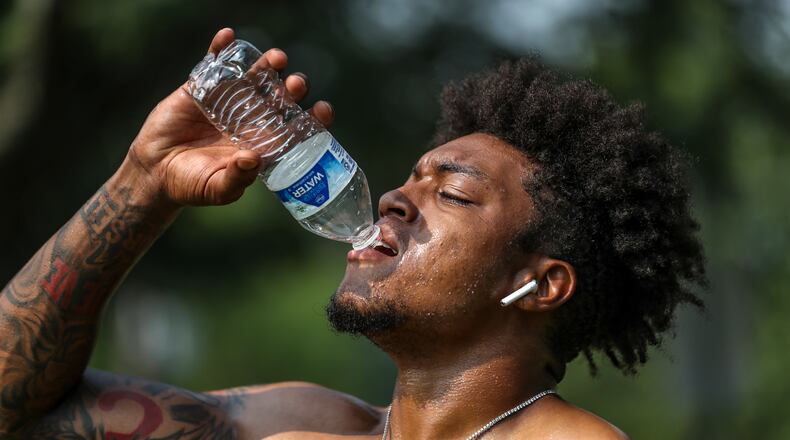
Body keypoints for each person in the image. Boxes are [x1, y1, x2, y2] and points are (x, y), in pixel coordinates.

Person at [0, 28, 706, 439]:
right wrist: (141, 185)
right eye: (410, 181)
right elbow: (16, 407)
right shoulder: (308, 422)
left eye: (453, 193)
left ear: (539, 284)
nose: (397, 199)